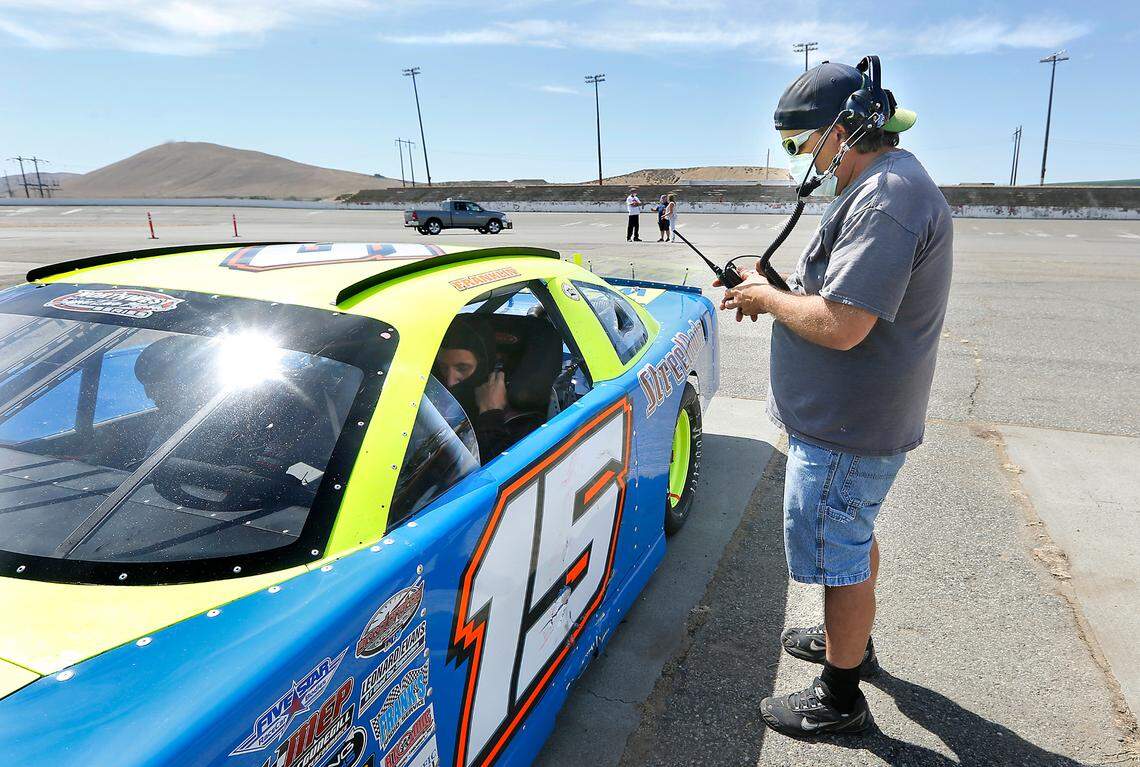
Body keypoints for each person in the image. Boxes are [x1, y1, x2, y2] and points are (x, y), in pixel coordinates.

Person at [717, 60, 952, 737]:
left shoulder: (886, 198)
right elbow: (834, 296)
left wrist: (765, 297)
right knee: (852, 536)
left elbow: (844, 325)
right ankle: (849, 638)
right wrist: (773, 287)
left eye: (799, 144)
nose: (798, 160)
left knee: (841, 552)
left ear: (845, 130)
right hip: (855, 418)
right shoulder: (882, 184)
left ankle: (840, 694)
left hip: (848, 426)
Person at [433, 318, 528, 462]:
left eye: (462, 368)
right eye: (444, 368)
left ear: (484, 366)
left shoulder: (519, 419)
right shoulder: (429, 394)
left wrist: (490, 416)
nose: (450, 381)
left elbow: (496, 471)